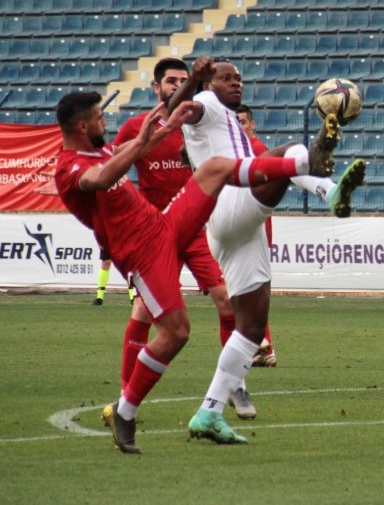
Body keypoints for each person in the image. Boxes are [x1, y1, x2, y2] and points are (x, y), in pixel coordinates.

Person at [54, 91, 334, 454]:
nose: (103, 123)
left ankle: (305, 165)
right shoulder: (68, 167)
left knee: (214, 167)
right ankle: (125, 411)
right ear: (81, 126)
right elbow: (101, 179)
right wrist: (140, 141)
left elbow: (128, 155)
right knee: (177, 332)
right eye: (98, 118)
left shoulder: (100, 150)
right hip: (141, 254)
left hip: (162, 225)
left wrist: (161, 131)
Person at [169, 56, 361, 444]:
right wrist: (194, 80)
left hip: (237, 228)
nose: (236, 83)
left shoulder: (234, 125)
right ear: (210, 83)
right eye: (226, 78)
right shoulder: (205, 105)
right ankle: (325, 180)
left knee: (252, 328)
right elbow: (178, 109)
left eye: (238, 78)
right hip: (226, 204)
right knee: (289, 151)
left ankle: (209, 412)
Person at [107, 58, 256, 419]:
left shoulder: (195, 121)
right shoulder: (136, 127)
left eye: (182, 80)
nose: (176, 85)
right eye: (170, 81)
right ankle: (128, 395)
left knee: (226, 300)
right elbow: (113, 165)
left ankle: (235, 385)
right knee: (143, 310)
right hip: (155, 233)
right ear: (156, 88)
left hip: (195, 226)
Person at [235, 104, 276, 367]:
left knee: (245, 289)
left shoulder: (258, 151)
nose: (239, 127)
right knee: (245, 288)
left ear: (252, 125)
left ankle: (261, 344)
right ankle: (262, 346)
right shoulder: (236, 150)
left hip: (255, 227)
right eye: (235, 122)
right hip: (242, 226)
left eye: (243, 122)